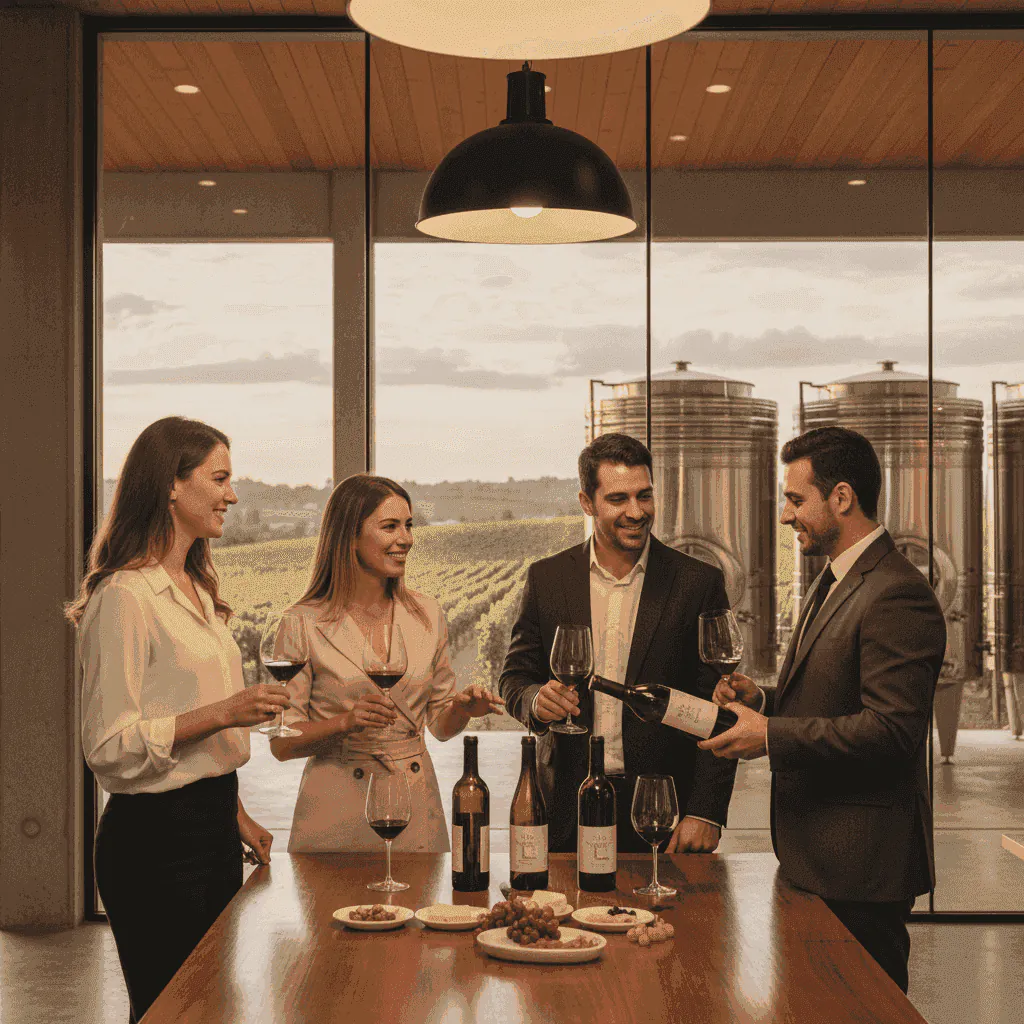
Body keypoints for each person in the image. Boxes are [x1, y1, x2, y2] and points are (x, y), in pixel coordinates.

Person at [702, 426, 946, 995]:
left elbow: (891, 731)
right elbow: (833, 692)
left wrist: (772, 736)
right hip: (819, 861)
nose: (786, 516)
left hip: (862, 871)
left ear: (841, 497)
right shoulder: (837, 576)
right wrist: (760, 698)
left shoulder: (896, 591)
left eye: (794, 499)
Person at [68, 417, 290, 1024]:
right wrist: (227, 712)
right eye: (218, 478)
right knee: (173, 1014)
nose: (232, 494)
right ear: (171, 484)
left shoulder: (193, 586)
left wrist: (234, 813)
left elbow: (183, 731)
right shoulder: (124, 596)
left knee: (213, 1011)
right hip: (155, 848)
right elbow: (108, 747)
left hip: (211, 828)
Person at [500, 432, 738, 853]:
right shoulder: (547, 578)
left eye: (644, 496)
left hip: (664, 810)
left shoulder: (697, 583)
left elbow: (719, 706)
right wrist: (537, 700)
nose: (636, 512)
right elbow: (515, 677)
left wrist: (706, 811)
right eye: (618, 499)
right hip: (565, 808)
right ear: (587, 503)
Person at [270, 474, 504, 852]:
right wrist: (344, 723)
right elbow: (282, 743)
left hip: (414, 807)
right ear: (349, 536)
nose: (406, 538)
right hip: (336, 815)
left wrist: (462, 709)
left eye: (408, 525)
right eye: (390, 526)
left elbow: (440, 726)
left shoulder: (427, 614)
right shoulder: (300, 623)